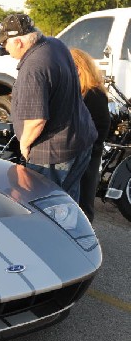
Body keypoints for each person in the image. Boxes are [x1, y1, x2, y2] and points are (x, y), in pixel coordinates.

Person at [0, 14, 97, 202]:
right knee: (68, 203)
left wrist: (24, 145)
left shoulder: (33, 67)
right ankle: (71, 231)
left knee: (46, 207)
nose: (4, 49)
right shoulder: (56, 45)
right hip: (79, 141)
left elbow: (36, 120)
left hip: (54, 154)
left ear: (19, 42)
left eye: (4, 43)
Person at [70, 48, 111, 222]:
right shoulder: (81, 92)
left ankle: (84, 241)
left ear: (79, 68)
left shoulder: (93, 93)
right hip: (82, 152)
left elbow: (100, 127)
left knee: (84, 202)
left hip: (89, 154)